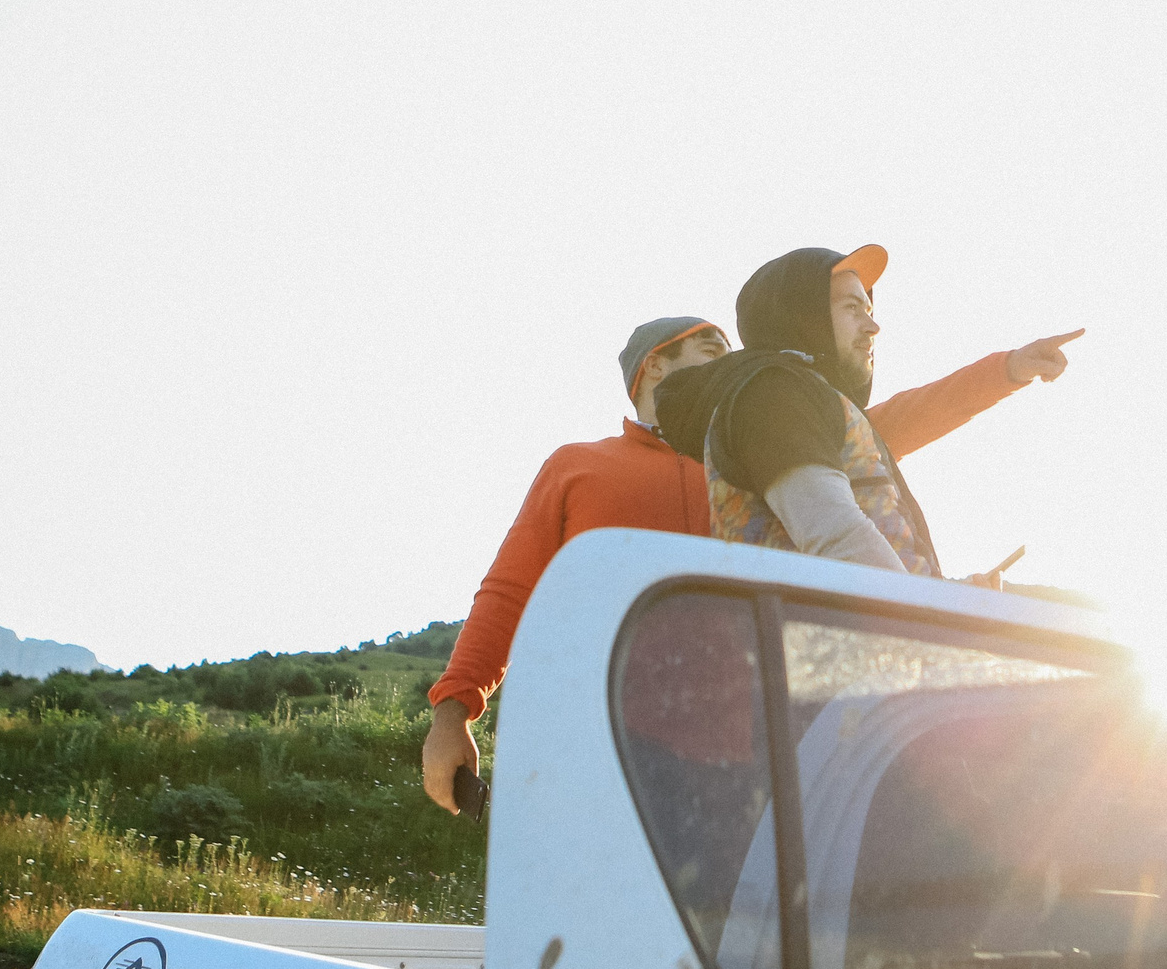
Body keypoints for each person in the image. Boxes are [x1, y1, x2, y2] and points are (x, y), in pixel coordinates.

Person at [419, 315, 731, 813]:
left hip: (741, 759)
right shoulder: (576, 466)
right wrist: (452, 715)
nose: (731, 367)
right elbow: (509, 592)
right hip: (596, 750)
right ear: (654, 366)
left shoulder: (752, 469)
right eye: (713, 352)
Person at [655, 244, 1079, 579]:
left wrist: (1009, 369)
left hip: (871, 654)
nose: (873, 327)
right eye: (852, 308)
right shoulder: (772, 393)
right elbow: (836, 538)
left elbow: (923, 411)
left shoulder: (813, 400)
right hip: (846, 672)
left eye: (870, 310)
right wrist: (935, 632)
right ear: (803, 315)